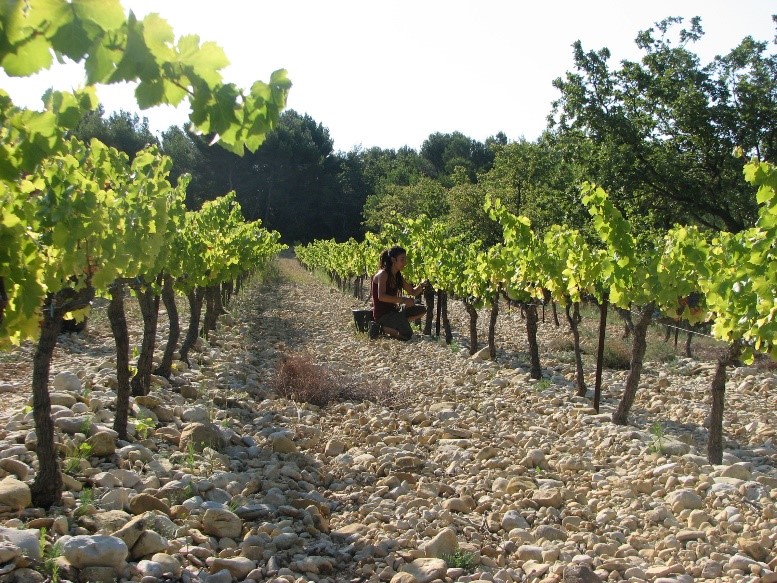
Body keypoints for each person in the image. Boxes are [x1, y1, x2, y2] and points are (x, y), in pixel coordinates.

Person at [369, 246, 426, 341]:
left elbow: (412, 292)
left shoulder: (398, 276)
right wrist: (403, 300)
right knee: (407, 335)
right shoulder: (383, 274)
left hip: (394, 311)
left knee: (421, 309)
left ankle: (398, 323)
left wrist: (422, 285)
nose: (405, 262)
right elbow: (381, 296)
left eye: (405, 259)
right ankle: (379, 328)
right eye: (402, 259)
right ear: (393, 260)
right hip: (383, 315)